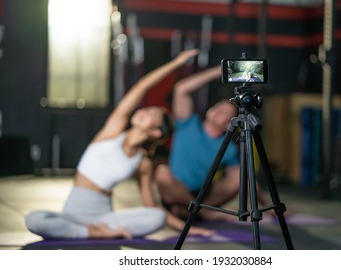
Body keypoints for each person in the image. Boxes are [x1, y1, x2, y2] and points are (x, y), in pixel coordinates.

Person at [25, 49, 212, 240]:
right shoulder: (113, 131)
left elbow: (151, 206)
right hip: (71, 215)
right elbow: (142, 86)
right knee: (34, 220)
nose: (144, 112)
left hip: (105, 218)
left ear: (156, 132)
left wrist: (188, 229)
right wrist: (177, 63)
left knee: (156, 217)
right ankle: (90, 233)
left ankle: (93, 231)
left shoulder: (143, 162)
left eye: (152, 115)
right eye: (146, 109)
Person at [155, 66, 269, 221]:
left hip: (204, 195)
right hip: (175, 189)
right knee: (162, 172)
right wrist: (220, 71)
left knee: (240, 174)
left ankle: (191, 210)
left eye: (224, 112)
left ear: (229, 123)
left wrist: (266, 206)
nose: (217, 110)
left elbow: (246, 179)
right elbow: (181, 88)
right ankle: (202, 213)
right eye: (218, 106)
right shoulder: (188, 123)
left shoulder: (228, 147)